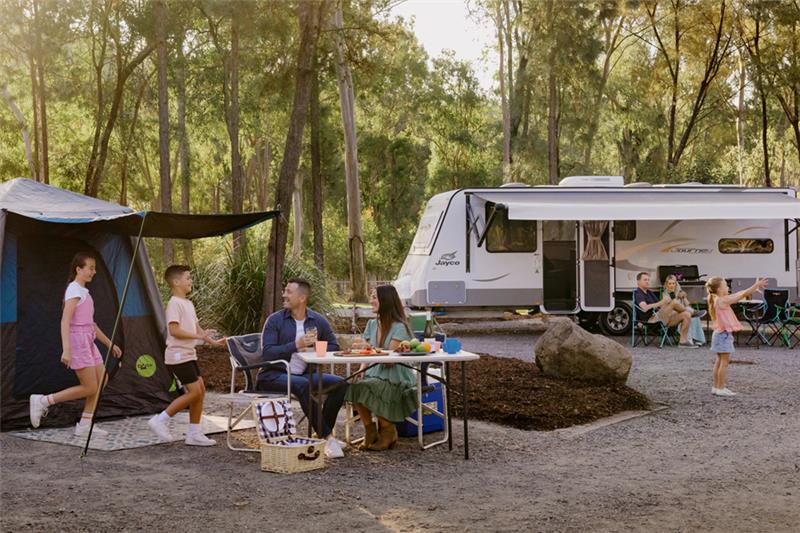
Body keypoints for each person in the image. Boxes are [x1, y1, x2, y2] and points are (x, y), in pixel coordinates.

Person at [28, 252, 122, 436]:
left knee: (102, 379)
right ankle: (44, 401)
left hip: (88, 338)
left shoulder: (84, 291)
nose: (93, 272)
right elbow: (65, 320)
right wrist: (67, 349)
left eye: (94, 268)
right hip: (78, 340)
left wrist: (109, 343)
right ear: (78, 269)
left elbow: (91, 323)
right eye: (90, 268)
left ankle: (85, 424)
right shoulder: (74, 289)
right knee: (90, 387)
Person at [259, 278, 346, 459]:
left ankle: (322, 433)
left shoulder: (317, 320)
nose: (284, 295)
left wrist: (314, 349)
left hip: (304, 375)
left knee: (340, 384)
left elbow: (334, 346)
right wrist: (295, 345)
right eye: (285, 291)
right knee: (302, 385)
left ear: (302, 298)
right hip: (274, 375)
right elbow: (267, 353)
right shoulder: (275, 320)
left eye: (289, 292)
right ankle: (328, 437)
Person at [147, 265, 225, 446]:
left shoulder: (188, 304)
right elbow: (174, 330)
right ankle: (160, 420)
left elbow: (198, 330)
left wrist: (213, 341)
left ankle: (194, 433)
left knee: (201, 391)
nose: (191, 281)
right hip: (177, 356)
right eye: (187, 278)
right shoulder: (174, 303)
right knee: (195, 391)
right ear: (176, 282)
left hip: (189, 354)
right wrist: (199, 336)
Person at [346, 285, 417, 451]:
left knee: (370, 387)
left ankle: (388, 431)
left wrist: (370, 349)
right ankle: (370, 430)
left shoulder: (400, 327)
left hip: (395, 374)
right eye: (371, 297)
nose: (371, 301)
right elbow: (366, 352)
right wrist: (361, 369)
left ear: (385, 301)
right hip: (374, 371)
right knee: (355, 386)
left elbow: (390, 361)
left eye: (374, 297)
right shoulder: (372, 324)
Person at [706, 276, 768, 397]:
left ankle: (716, 387)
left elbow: (741, 294)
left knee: (719, 361)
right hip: (723, 335)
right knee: (724, 362)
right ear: (719, 289)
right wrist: (755, 286)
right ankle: (721, 388)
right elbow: (741, 294)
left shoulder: (718, 299)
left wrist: (753, 289)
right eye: (725, 285)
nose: (727, 287)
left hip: (719, 334)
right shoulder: (722, 300)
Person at [633, 272, 696, 348]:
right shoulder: (638, 293)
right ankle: (692, 312)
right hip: (651, 320)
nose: (647, 281)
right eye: (645, 280)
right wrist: (662, 302)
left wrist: (668, 306)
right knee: (674, 303)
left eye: (648, 280)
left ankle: (683, 341)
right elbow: (644, 308)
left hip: (660, 317)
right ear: (638, 281)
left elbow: (660, 307)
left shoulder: (649, 292)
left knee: (686, 315)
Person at [663, 275, 707, 346]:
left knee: (695, 318)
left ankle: (697, 339)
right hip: (672, 316)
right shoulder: (665, 294)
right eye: (670, 283)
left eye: (673, 283)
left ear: (676, 284)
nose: (671, 285)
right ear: (666, 284)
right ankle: (688, 339)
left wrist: (684, 297)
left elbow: (687, 305)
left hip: (682, 312)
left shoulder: (679, 292)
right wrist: (677, 297)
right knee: (688, 315)